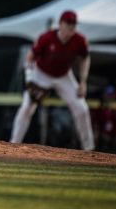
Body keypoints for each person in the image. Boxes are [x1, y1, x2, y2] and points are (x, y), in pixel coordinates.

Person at [9, 10, 95, 150]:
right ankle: (13, 144)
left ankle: (89, 149)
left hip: (63, 76)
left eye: (73, 24)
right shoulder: (47, 38)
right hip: (41, 73)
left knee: (82, 109)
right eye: (68, 23)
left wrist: (83, 81)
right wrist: (30, 80)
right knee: (27, 107)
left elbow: (85, 58)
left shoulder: (79, 40)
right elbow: (30, 57)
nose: (71, 27)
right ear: (60, 24)